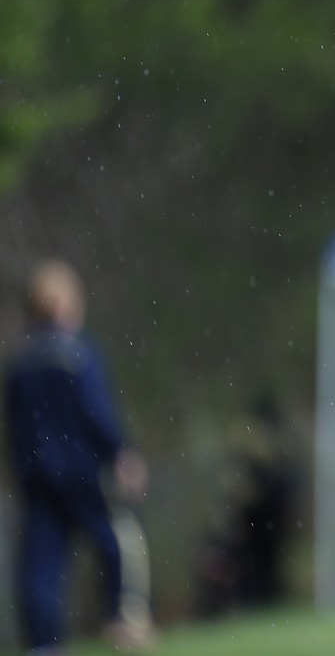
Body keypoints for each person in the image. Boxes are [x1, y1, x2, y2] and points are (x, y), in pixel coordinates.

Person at [3, 259, 151, 653]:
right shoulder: (78, 354)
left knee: (41, 564)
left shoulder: (20, 362)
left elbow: (16, 426)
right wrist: (120, 452)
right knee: (114, 543)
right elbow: (96, 412)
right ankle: (121, 619)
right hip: (82, 472)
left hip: (37, 476)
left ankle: (44, 642)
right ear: (67, 304)